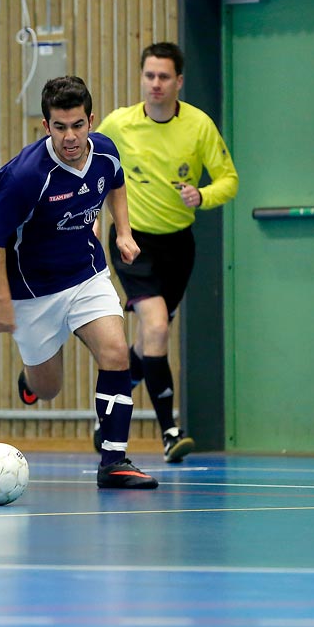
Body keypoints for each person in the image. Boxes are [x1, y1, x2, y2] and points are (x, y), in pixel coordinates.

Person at [0, 75, 158, 489]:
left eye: (77, 125)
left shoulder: (105, 151)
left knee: (115, 351)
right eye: (59, 126)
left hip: (85, 273)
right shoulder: (24, 176)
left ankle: (114, 461)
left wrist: (123, 232)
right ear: (45, 126)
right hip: (31, 292)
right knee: (48, 388)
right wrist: (2, 299)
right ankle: (29, 380)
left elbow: (117, 182)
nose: (70, 136)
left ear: (90, 120)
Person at [96, 42, 238, 463]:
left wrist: (203, 195)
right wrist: (91, 214)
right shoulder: (119, 124)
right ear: (141, 78)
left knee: (150, 340)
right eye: (149, 76)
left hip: (179, 245)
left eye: (163, 77)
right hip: (132, 240)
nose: (155, 84)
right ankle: (170, 433)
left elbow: (228, 180)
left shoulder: (198, 126)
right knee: (156, 328)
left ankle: (107, 416)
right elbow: (91, 162)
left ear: (179, 81)